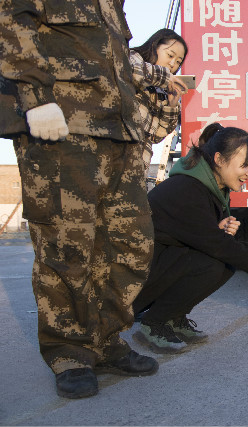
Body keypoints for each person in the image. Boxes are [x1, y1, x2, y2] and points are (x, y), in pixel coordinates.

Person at [0, 1, 158, 399]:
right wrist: (35, 98)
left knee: (131, 245)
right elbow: (9, 18)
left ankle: (105, 340)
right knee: (67, 246)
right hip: (61, 124)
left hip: (118, 131)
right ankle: (69, 351)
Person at [132, 123, 248, 354]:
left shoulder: (210, 185)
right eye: (244, 165)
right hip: (134, 278)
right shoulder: (187, 189)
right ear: (219, 160)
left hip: (159, 263)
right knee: (213, 264)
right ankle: (153, 323)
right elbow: (217, 245)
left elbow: (201, 235)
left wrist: (217, 228)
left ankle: (173, 318)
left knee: (222, 264)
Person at [129, 29, 190, 170]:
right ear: (154, 46)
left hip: (138, 162)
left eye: (178, 61)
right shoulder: (133, 58)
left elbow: (158, 135)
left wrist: (172, 104)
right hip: (115, 149)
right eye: (170, 55)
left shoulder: (162, 91)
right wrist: (166, 77)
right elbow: (132, 73)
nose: (172, 63)